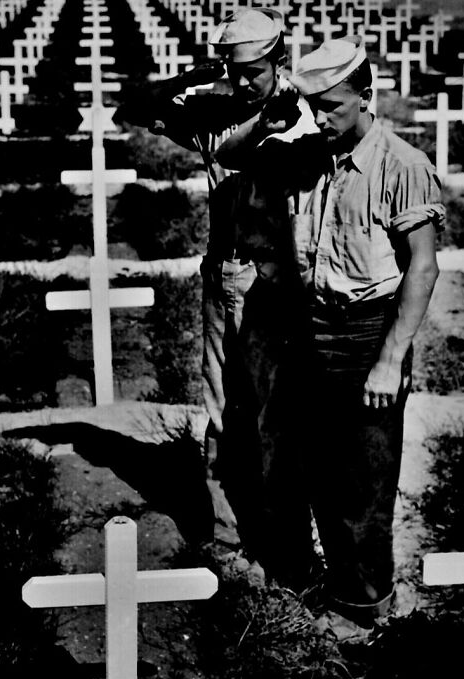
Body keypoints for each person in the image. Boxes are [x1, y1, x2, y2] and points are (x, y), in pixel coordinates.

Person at [216, 36, 444, 634]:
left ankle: (368, 610)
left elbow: (422, 268)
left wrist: (389, 358)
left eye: (334, 107)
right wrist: (271, 117)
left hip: (368, 334)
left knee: (364, 481)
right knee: (316, 467)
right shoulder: (311, 154)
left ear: (366, 96)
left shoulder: (401, 164)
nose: (322, 119)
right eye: (315, 107)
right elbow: (236, 156)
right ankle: (335, 588)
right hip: (310, 328)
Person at [120, 8, 321, 590]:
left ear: (279, 61)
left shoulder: (304, 114)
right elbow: (136, 105)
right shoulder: (223, 106)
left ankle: (285, 543)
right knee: (219, 406)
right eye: (233, 72)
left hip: (276, 278)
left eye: (251, 72)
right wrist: (202, 74)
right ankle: (228, 535)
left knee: (274, 411)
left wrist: (256, 115)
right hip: (222, 272)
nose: (241, 83)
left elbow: (252, 160)